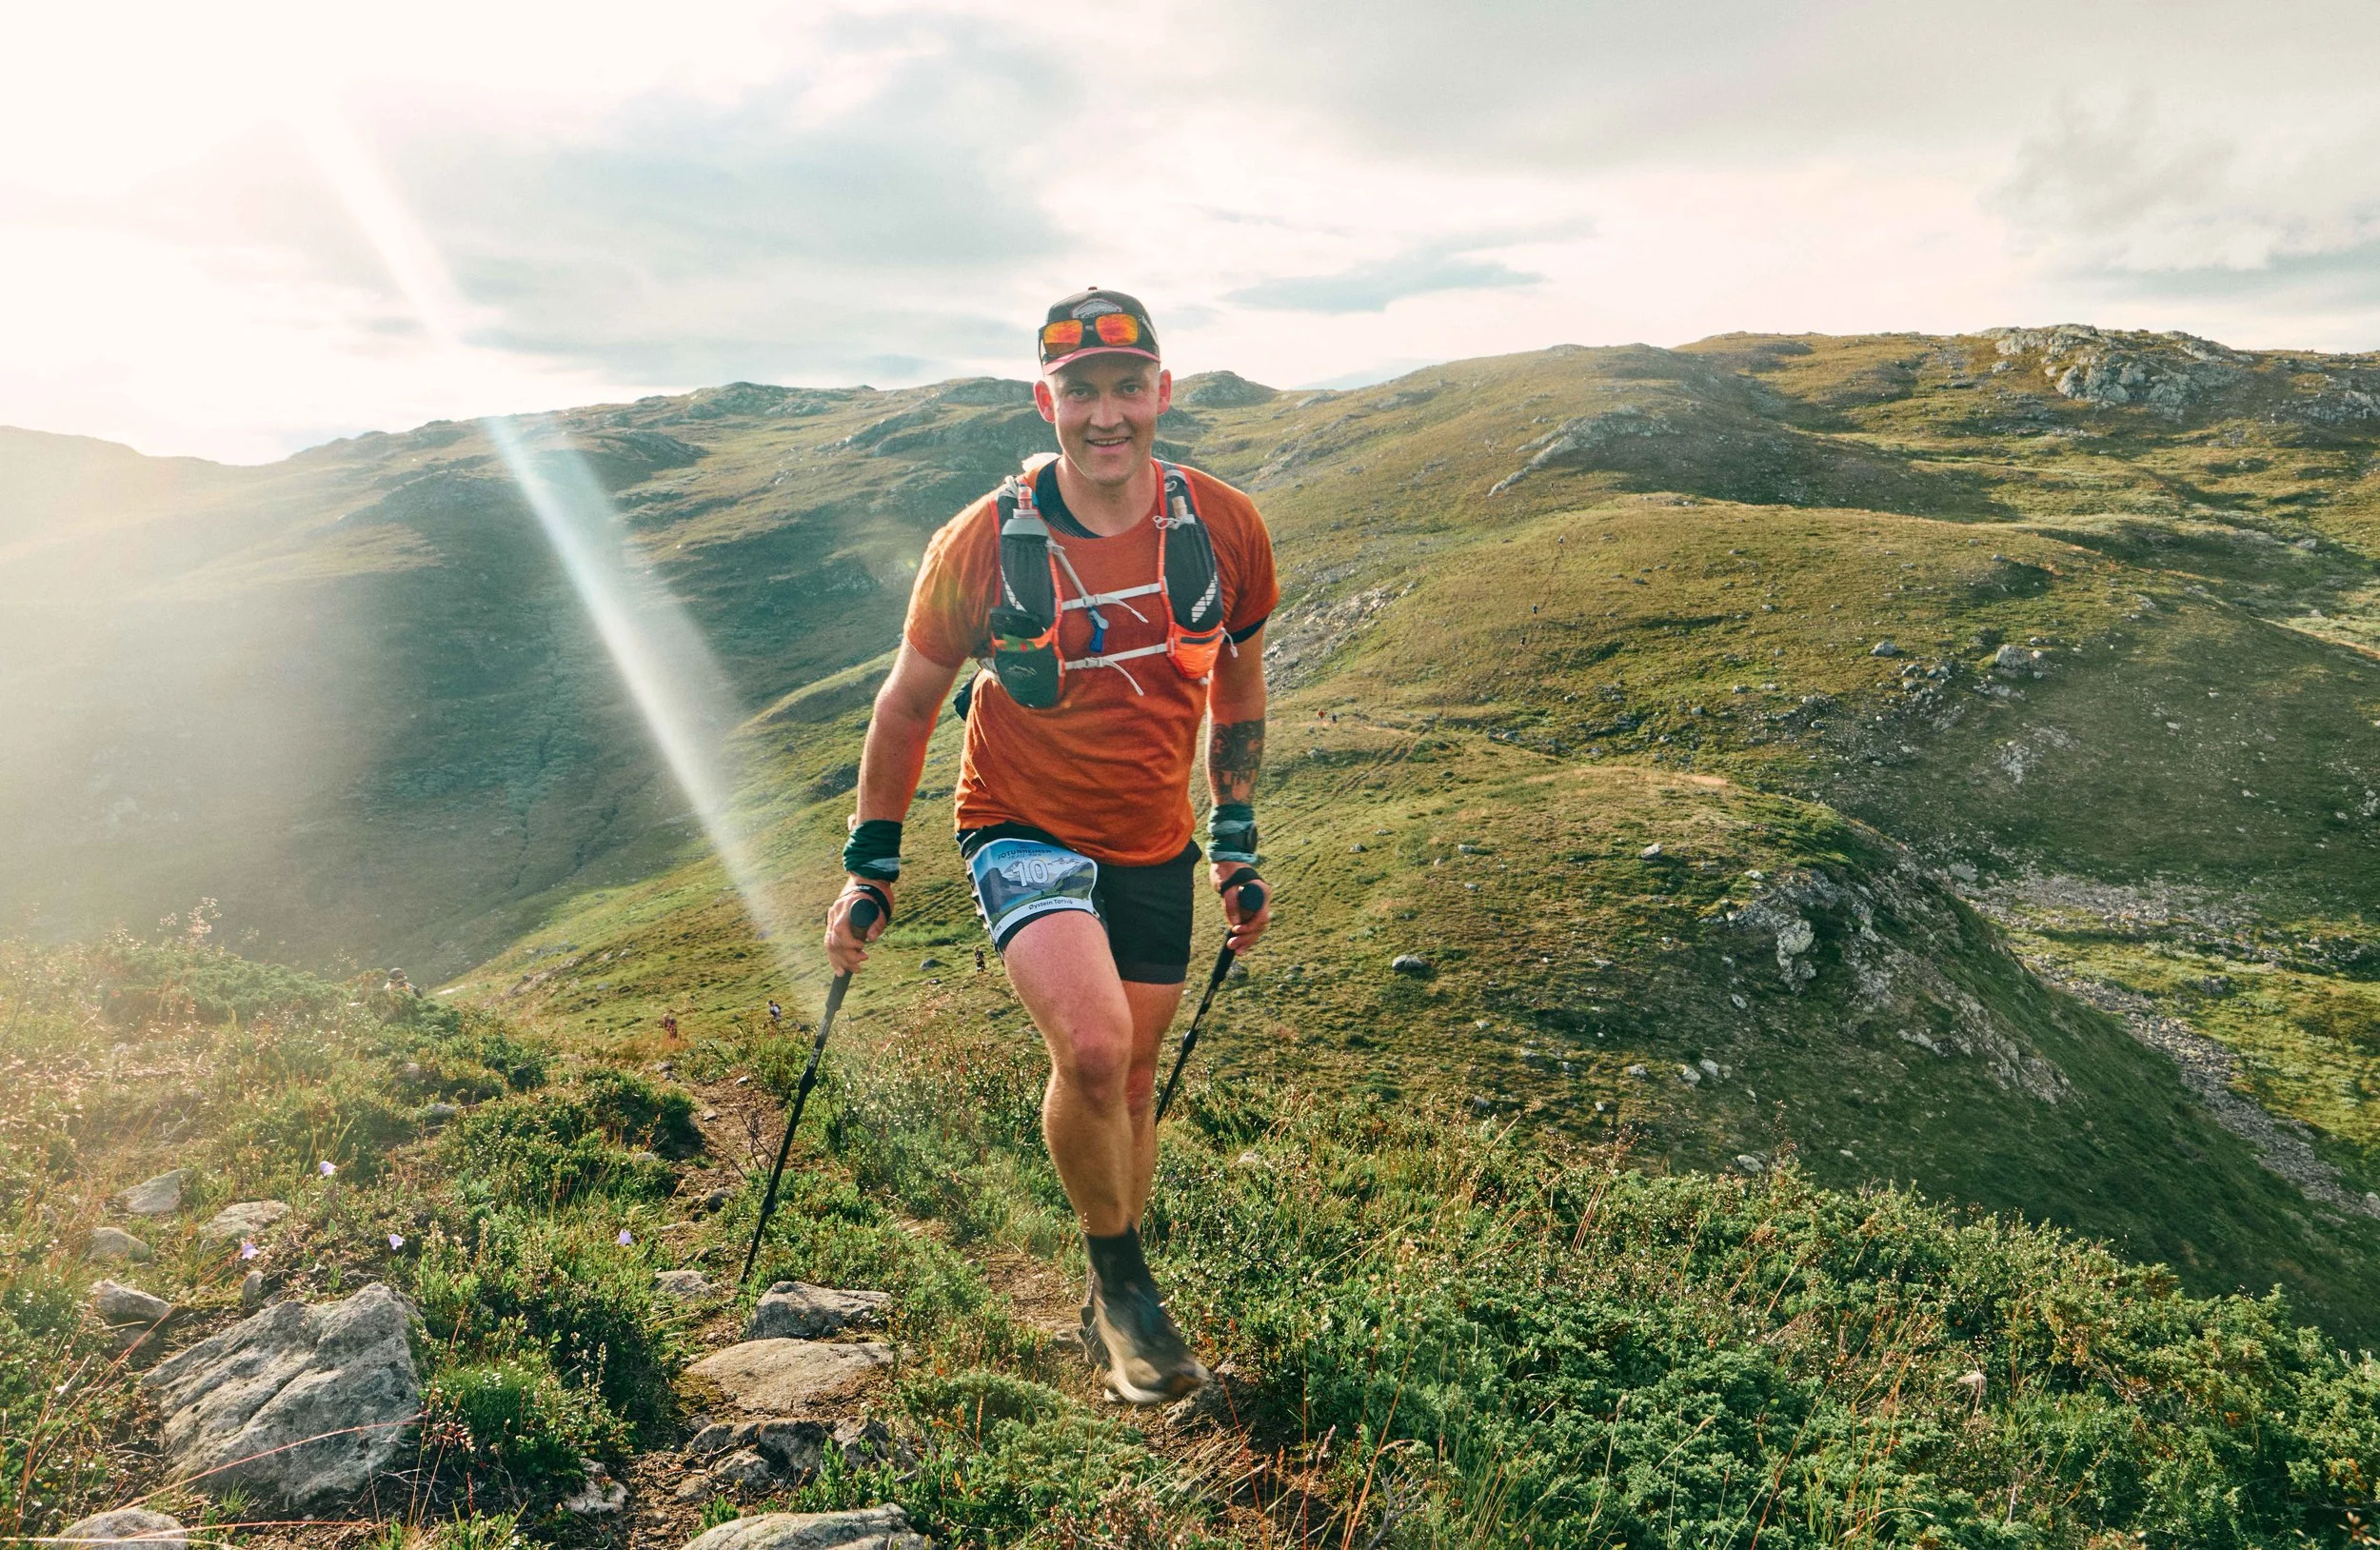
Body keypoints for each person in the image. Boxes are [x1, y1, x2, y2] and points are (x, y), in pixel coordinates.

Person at [823, 288, 1276, 1402]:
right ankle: (1126, 1291)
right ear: (1046, 401)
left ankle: (1102, 1297)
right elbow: (907, 703)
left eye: (1128, 385)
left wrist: (1235, 839)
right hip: (1017, 825)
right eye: (1081, 390)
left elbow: (1240, 680)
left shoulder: (1224, 527)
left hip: (1153, 836)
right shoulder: (981, 542)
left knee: (1128, 1076)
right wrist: (869, 862)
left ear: (1163, 392)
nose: (1106, 412)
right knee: (1088, 1042)